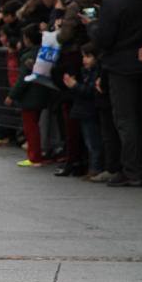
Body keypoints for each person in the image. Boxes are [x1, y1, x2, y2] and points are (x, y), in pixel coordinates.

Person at [90, 0, 142, 187]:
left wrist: (93, 27)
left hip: (120, 66)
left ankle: (132, 170)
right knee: (140, 116)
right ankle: (140, 167)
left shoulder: (112, 1)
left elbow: (105, 38)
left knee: (125, 120)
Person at [5, 24, 54, 167]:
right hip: (44, 91)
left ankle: (35, 157)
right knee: (40, 125)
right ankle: (41, 154)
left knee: (30, 127)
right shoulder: (45, 53)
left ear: (27, 39)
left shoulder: (27, 56)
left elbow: (22, 80)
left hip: (30, 95)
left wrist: (12, 95)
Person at [62, 42, 103, 180]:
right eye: (84, 56)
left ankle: (95, 168)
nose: (85, 60)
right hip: (84, 110)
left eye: (88, 56)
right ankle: (93, 168)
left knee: (93, 142)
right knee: (89, 141)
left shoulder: (95, 72)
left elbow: (90, 91)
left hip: (90, 110)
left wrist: (75, 86)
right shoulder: (85, 71)